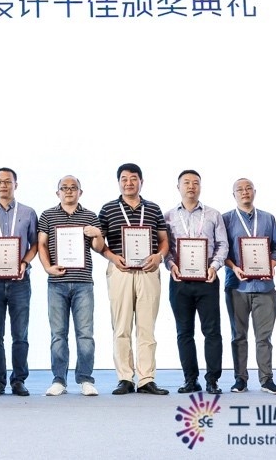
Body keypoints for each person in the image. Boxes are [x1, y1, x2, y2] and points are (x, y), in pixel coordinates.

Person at [97, 163, 171, 396]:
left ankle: (146, 379)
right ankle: (125, 378)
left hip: (148, 271)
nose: (129, 183)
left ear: (141, 181)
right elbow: (99, 244)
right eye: (124, 179)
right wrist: (112, 257)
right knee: (121, 327)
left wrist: (159, 257)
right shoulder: (108, 209)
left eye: (133, 178)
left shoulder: (153, 208)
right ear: (119, 182)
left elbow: (164, 240)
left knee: (147, 327)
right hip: (121, 271)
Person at [37, 175, 104, 396]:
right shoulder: (47, 215)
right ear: (57, 192)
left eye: (73, 187)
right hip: (57, 283)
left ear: (80, 192)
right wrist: (47, 267)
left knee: (85, 334)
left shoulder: (90, 216)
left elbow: (98, 247)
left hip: (83, 283)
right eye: (64, 188)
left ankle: (85, 379)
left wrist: (97, 234)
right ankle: (59, 380)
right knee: (58, 334)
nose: (68, 191)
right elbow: (41, 244)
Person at [164, 169, 229, 395]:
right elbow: (165, 247)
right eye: (186, 182)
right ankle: (190, 380)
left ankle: (213, 380)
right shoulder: (168, 216)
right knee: (184, 332)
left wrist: (214, 266)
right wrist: (170, 264)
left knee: (212, 332)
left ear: (200, 187)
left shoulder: (213, 214)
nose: (191, 186)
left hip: (207, 279)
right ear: (178, 187)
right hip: (179, 281)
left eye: (195, 183)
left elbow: (223, 244)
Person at [0, 167, 39, 396]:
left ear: (16, 185)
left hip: (20, 281)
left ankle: (18, 380)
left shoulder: (28, 213)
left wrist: (24, 262)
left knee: (20, 334)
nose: (3, 185)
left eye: (8, 181)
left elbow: (35, 244)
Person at [221, 178, 276, 395]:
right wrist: (233, 267)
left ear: (254, 192)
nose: (244, 192)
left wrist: (272, 263)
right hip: (237, 286)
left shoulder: (268, 218)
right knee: (238, 336)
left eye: (248, 188)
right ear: (234, 195)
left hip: (265, 287)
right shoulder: (226, 219)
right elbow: (221, 250)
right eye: (239, 189)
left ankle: (267, 380)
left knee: (264, 337)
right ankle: (240, 379)